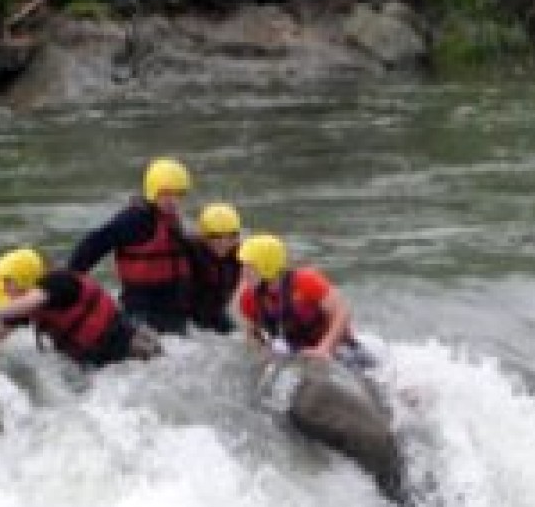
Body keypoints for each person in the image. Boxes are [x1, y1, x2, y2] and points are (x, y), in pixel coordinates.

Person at [0, 247, 161, 368]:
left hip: (134, 345)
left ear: (23, 279)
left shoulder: (58, 282)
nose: (4, 290)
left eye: (7, 283)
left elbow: (33, 300)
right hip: (98, 359)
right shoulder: (22, 307)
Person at [67, 157, 193, 336]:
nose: (173, 200)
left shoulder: (173, 222)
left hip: (173, 312)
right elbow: (94, 244)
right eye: (166, 194)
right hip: (141, 312)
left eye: (178, 194)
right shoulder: (132, 220)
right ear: (152, 192)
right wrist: (69, 280)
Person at [235, 233, 375, 368]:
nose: (243, 272)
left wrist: (323, 349)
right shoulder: (248, 298)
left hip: (342, 349)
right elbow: (252, 336)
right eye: (243, 267)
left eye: (249, 267)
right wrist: (265, 355)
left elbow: (343, 313)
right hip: (298, 352)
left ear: (267, 266)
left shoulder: (306, 281)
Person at [185, 202, 243, 334]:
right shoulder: (189, 250)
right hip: (185, 315)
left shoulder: (242, 255)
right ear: (203, 236)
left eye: (231, 236)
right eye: (215, 236)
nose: (224, 242)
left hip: (215, 312)